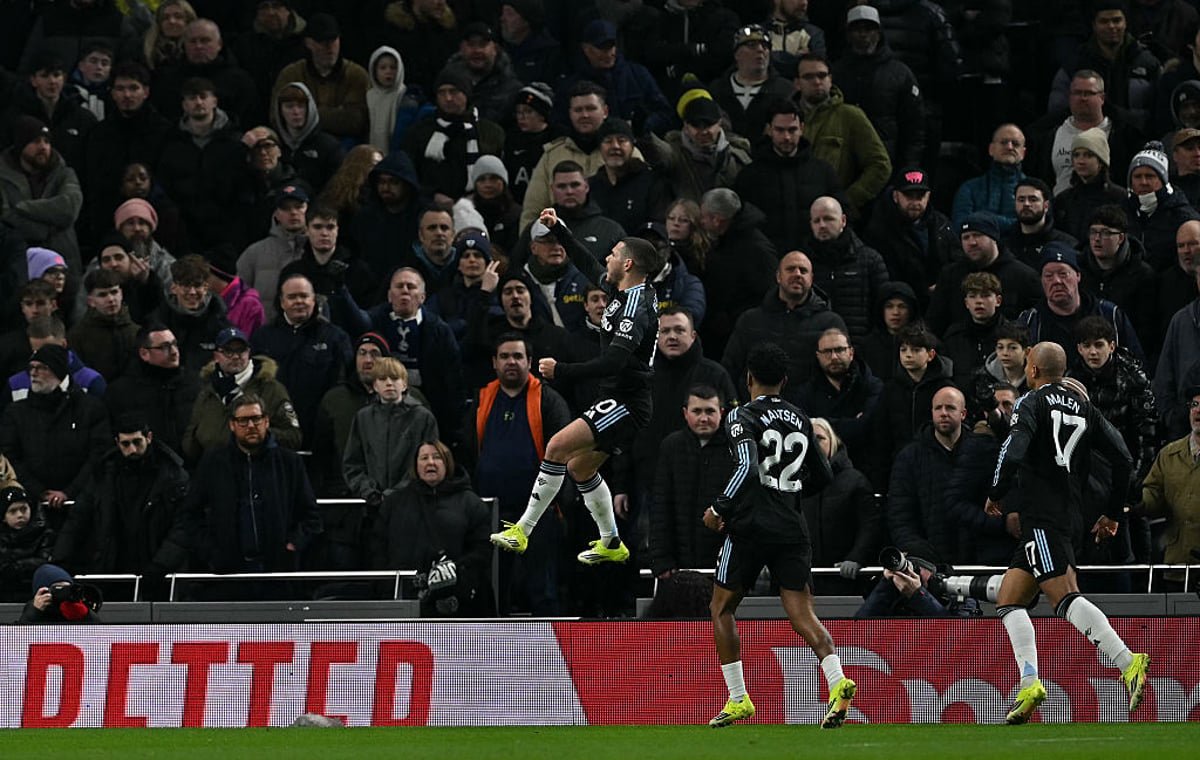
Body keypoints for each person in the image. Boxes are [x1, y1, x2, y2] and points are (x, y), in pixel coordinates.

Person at [985, 342, 1149, 724]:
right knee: (1010, 600)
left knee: (1063, 597)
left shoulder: (1031, 402)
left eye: (1027, 364)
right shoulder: (1085, 407)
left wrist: (996, 492)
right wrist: (1111, 513)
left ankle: (1128, 660)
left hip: (1042, 516)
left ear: (1035, 371)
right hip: (1070, 515)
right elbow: (1124, 457)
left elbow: (1013, 450)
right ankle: (1029, 682)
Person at [490, 208, 664, 565]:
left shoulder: (636, 309)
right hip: (617, 398)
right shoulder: (622, 289)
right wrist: (562, 230)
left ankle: (522, 530)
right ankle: (612, 542)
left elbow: (614, 362)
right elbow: (586, 262)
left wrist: (561, 370)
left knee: (556, 447)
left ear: (628, 264)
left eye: (614, 254)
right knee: (579, 469)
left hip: (627, 401)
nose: (607, 258)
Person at [703, 342, 854, 729]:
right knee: (802, 614)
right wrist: (789, 493)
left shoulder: (741, 415)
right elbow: (824, 475)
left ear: (749, 378)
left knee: (722, 608)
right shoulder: (801, 418)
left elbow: (747, 469)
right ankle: (837, 682)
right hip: (791, 526)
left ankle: (738, 699)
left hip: (750, 526)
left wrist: (719, 508)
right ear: (784, 381)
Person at [460, 333, 572, 615]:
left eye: (518, 356)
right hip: (491, 510)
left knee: (542, 588)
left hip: (538, 510)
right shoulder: (481, 399)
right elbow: (469, 449)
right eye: (505, 356)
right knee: (496, 587)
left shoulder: (548, 399)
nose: (512, 362)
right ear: (494, 363)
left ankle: (550, 655)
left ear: (530, 362)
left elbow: (566, 452)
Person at [187, 393, 322, 588]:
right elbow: (190, 514)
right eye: (243, 421)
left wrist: (292, 545)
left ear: (266, 421)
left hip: (278, 572)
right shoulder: (214, 462)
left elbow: (311, 515)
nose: (251, 426)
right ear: (232, 425)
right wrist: (211, 550)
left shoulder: (289, 462)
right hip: (227, 573)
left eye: (256, 419)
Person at [52, 414, 190, 587]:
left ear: (149, 438)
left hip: (157, 568)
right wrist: (59, 560)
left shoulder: (172, 475)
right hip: (112, 565)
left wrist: (161, 564)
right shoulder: (103, 474)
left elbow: (183, 525)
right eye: (125, 444)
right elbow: (78, 518)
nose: (132, 449)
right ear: (117, 443)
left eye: (137, 442)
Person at [372, 440, 495, 617]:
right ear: (416, 465)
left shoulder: (471, 503)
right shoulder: (395, 503)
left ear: (447, 463)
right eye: (424, 458)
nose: (430, 462)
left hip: (459, 604)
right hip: (405, 601)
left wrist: (457, 571)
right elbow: (378, 548)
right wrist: (387, 586)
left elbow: (482, 550)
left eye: (437, 457)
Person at [649, 385, 735, 581]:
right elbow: (661, 506)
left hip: (725, 561)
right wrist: (661, 558)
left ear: (721, 412)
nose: (703, 418)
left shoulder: (735, 449)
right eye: (697, 411)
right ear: (685, 413)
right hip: (680, 562)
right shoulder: (671, 447)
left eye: (710, 411)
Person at [343, 357, 438, 506]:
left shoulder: (423, 418)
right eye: (382, 379)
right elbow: (352, 463)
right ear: (375, 385)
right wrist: (368, 491)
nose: (389, 383)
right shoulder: (363, 418)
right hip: (371, 505)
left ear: (405, 384)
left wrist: (398, 493)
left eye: (394, 378)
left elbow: (429, 463)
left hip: (412, 503)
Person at [802, 417, 880, 596]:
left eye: (820, 438)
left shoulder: (855, 481)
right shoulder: (795, 483)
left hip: (844, 578)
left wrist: (856, 557)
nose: (814, 443)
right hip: (805, 579)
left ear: (833, 442)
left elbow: (870, 525)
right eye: (809, 439)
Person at [103, 324, 200, 457]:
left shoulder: (194, 383)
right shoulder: (120, 392)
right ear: (144, 353)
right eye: (164, 347)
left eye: (174, 344)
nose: (174, 351)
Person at [271, 13, 369, 142]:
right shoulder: (291, 74)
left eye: (333, 40)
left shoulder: (356, 74)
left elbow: (356, 121)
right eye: (322, 41)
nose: (329, 47)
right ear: (308, 43)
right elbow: (277, 117)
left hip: (347, 146)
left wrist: (307, 113)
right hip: (301, 143)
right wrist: (336, 113)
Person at [1140, 384, 1200, 589]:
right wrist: (1138, 502)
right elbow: (1153, 493)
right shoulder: (1169, 454)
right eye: (1194, 404)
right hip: (1177, 562)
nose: (1197, 411)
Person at [0, 486, 55, 603]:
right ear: (3, 517)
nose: (20, 515)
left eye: (24, 509)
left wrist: (15, 566)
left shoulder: (44, 533)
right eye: (13, 511)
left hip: (37, 593)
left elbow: (45, 562)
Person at [16, 563, 101, 624]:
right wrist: (34, 612)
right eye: (58, 588)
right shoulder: (33, 610)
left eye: (67, 588)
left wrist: (85, 615)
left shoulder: (75, 608)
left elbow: (101, 635)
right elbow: (16, 640)